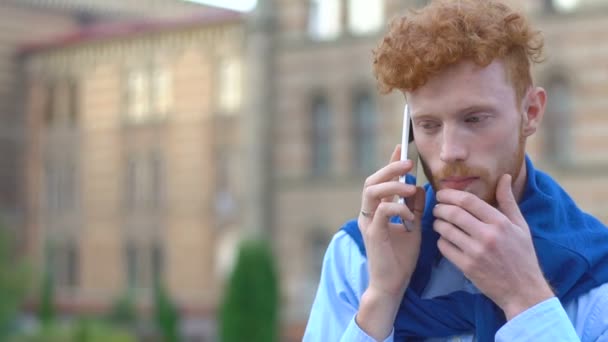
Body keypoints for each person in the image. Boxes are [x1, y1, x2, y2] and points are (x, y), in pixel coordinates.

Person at [303, 0, 608, 341]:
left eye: (474, 119)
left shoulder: (597, 270)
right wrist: (381, 296)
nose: (449, 152)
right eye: (428, 125)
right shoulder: (356, 256)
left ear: (531, 112)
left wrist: (526, 298)